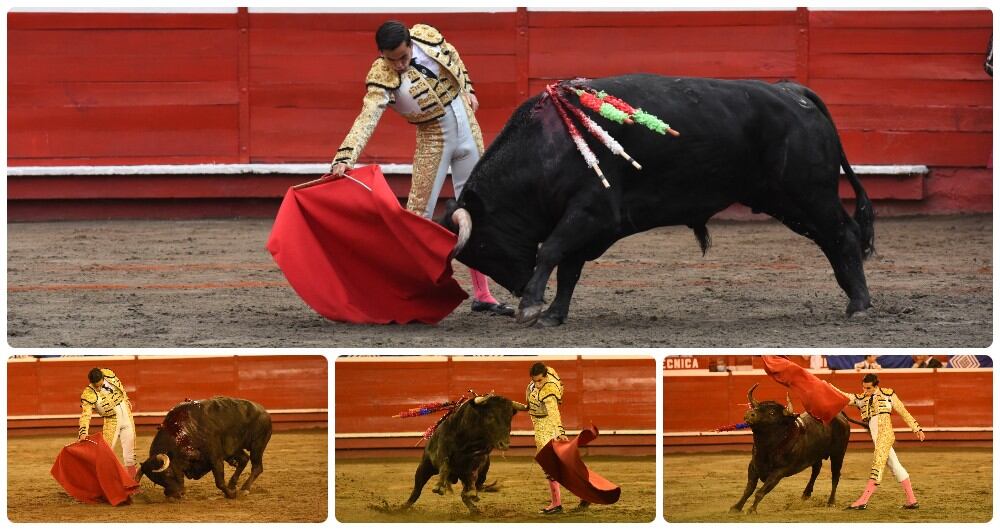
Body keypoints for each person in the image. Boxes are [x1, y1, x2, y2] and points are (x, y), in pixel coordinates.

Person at [329, 20, 513, 316]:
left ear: (410, 44)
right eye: (391, 59)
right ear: (381, 54)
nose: (399, 65)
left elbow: (453, 55)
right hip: (433, 137)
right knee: (418, 216)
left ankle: (483, 294)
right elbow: (367, 117)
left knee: (477, 208)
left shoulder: (427, 37)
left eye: (403, 57)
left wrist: (467, 87)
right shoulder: (380, 76)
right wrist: (345, 156)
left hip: (468, 127)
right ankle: (410, 291)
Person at [834, 374, 924, 510]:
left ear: (876, 386)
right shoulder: (862, 399)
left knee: (877, 466)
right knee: (895, 466)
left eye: (868, 388)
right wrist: (828, 387)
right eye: (863, 388)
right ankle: (912, 500)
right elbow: (844, 397)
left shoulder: (888, 394)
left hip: (885, 435)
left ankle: (862, 501)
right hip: (877, 438)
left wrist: (916, 428)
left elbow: (903, 411)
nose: (865, 391)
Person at [526, 362, 589, 514]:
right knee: (562, 466)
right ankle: (585, 493)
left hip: (548, 430)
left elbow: (554, 414)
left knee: (551, 467)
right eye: (535, 381)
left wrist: (560, 431)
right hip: (541, 429)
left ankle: (556, 503)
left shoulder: (549, 391)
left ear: (545, 377)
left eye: (540, 380)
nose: (538, 384)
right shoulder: (547, 374)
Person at [79, 368, 137, 476]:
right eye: (96, 386)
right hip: (111, 421)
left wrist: (125, 398)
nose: (99, 388)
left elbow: (120, 386)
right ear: (91, 383)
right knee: (105, 453)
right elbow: (86, 414)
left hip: (127, 416)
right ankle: (103, 481)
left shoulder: (108, 374)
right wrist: (83, 431)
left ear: (103, 378)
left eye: (101, 384)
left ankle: (134, 482)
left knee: (130, 455)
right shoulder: (88, 394)